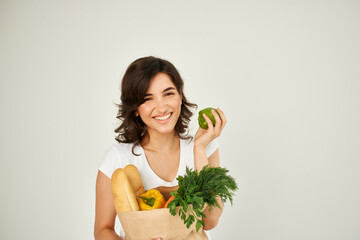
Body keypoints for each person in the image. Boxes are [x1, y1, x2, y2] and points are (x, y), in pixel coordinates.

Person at [94, 56, 227, 240]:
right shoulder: (117, 158)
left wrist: (198, 149)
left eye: (168, 93)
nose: (161, 107)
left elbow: (209, 221)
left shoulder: (205, 148)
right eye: (148, 99)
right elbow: (103, 229)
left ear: (180, 95)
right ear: (135, 109)